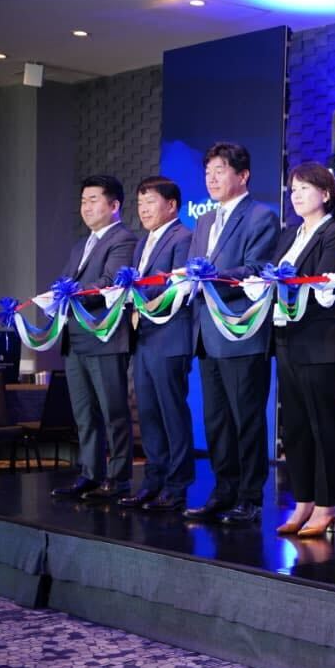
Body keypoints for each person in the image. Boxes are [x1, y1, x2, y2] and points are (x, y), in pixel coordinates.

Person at [183, 142, 280, 525]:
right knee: (216, 419)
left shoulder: (261, 217)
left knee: (246, 418)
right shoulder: (205, 220)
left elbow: (256, 269)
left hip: (242, 332)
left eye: (220, 171)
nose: (211, 179)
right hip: (207, 333)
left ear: (243, 175)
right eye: (208, 172)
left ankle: (250, 498)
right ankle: (223, 490)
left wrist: (211, 277)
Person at [271, 162, 335, 538]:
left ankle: (328, 504)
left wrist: (287, 283)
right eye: (293, 189)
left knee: (324, 425)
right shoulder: (289, 234)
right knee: (295, 427)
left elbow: (322, 281)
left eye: (304, 188)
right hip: (287, 337)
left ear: (325, 193)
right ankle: (303, 499)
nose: (297, 195)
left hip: (319, 342)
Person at [50, 175, 137, 501]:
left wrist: (71, 294)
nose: (86, 207)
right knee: (85, 415)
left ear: (114, 205)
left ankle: (119, 479)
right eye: (83, 201)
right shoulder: (81, 245)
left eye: (93, 200)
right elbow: (65, 282)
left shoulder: (123, 239)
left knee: (113, 412)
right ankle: (90, 474)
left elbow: (108, 282)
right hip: (75, 340)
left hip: (104, 339)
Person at [119, 176, 195, 513]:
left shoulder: (184, 237)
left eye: (150, 202)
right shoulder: (141, 243)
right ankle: (153, 481)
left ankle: (177, 486)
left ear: (171, 205)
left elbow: (175, 287)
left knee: (171, 412)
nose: (144, 209)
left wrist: (134, 292)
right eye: (140, 203)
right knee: (147, 412)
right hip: (144, 336)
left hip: (170, 335)